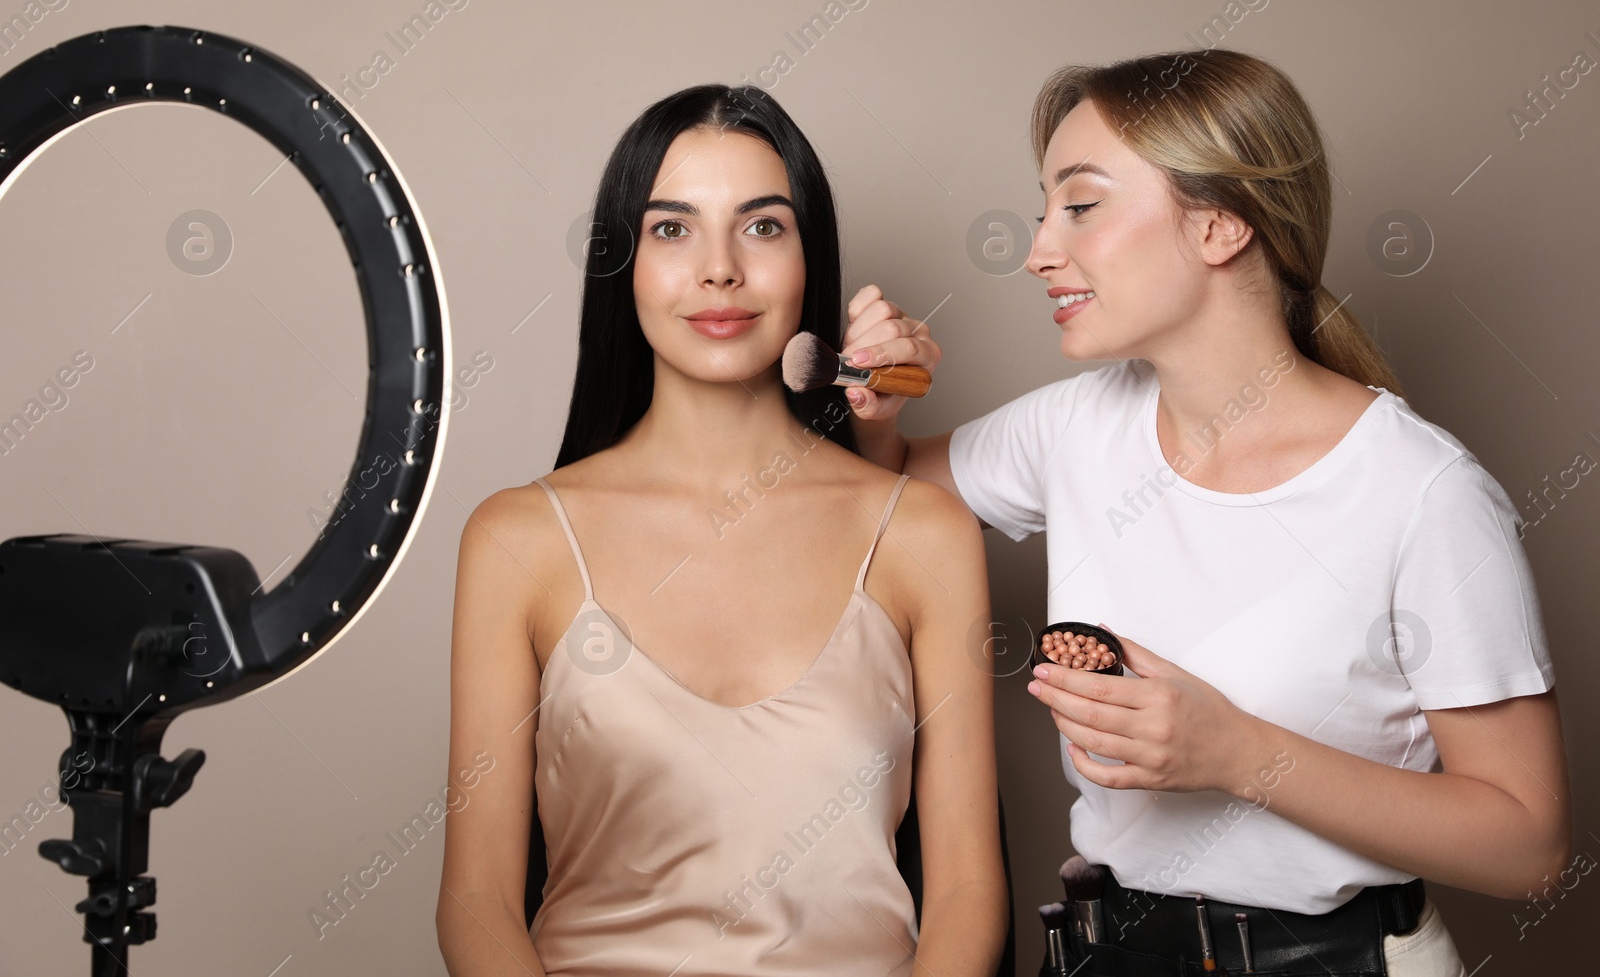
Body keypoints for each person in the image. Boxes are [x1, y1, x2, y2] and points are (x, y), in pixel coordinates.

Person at [842, 49, 1570, 976]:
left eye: (1082, 204)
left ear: (1221, 225)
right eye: (1043, 209)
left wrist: (1237, 753)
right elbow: (880, 508)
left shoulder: (1424, 492)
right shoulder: (1076, 425)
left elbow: (1530, 845)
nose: (1038, 250)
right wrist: (878, 406)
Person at [435, 84, 1008, 976]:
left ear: (811, 260)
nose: (719, 269)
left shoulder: (925, 533)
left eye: (763, 226)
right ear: (622, 263)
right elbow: (475, 902)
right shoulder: (517, 539)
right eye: (672, 229)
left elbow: (969, 896)